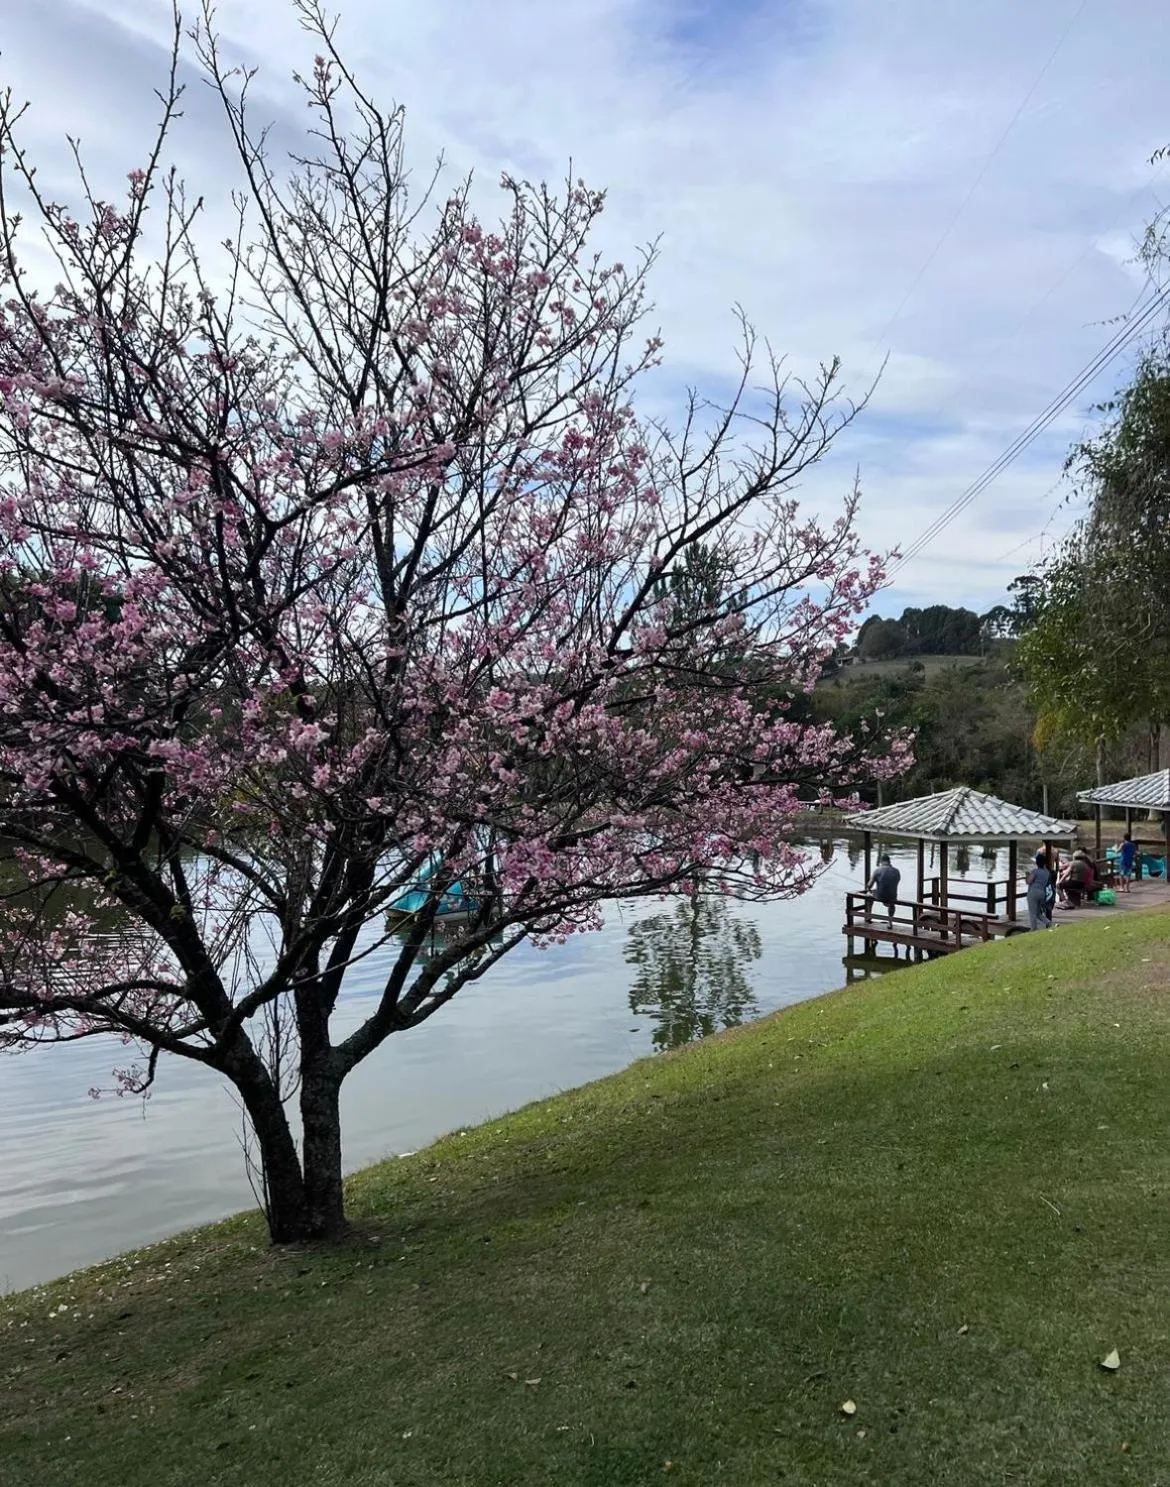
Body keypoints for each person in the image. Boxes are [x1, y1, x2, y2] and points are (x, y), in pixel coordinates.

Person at [867, 853, 901, 926]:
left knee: (868, 896)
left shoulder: (877, 871)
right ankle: (890, 922)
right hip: (892, 896)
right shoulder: (896, 871)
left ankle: (869, 916)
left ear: (881, 861)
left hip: (880, 896)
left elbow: (869, 885)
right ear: (889, 861)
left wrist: (869, 888)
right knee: (892, 904)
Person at [1024, 850, 1053, 930]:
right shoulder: (1047, 872)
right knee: (1037, 913)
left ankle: (1033, 929)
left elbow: (1029, 881)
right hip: (1042, 893)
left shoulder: (1035, 871)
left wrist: (1026, 875)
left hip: (1033, 893)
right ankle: (1048, 922)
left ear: (1037, 862)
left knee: (1032, 913)